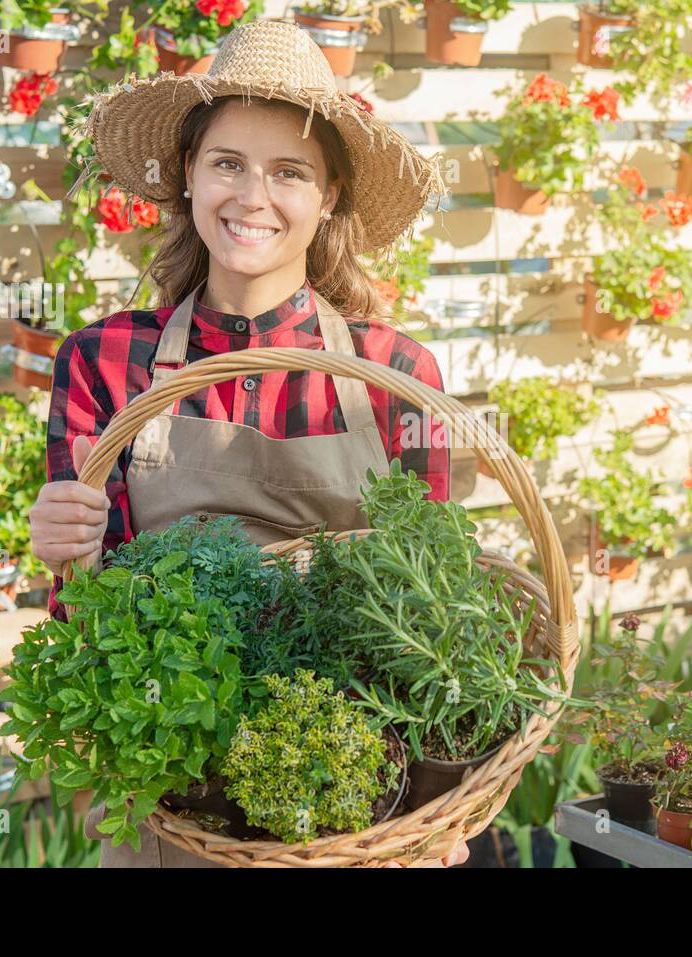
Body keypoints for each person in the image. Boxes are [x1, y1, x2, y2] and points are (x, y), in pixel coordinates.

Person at [28, 18, 466, 867]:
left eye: (290, 172)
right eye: (227, 162)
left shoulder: (394, 371)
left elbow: (438, 600)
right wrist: (62, 552)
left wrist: (440, 803)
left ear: (329, 195)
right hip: (176, 801)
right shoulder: (102, 361)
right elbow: (92, 624)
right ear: (188, 174)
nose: (252, 196)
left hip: (356, 801)